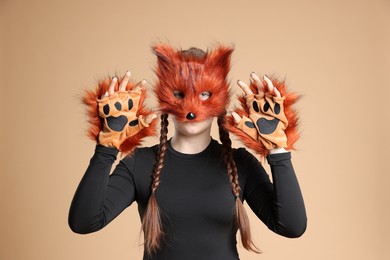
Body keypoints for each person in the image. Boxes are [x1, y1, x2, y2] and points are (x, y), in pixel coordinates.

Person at [68, 44, 307, 260]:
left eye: (204, 94)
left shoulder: (240, 163)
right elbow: (84, 222)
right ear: (164, 98)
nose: (191, 109)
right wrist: (106, 147)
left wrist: (278, 149)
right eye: (179, 94)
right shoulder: (139, 163)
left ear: (220, 101)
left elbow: (291, 227)